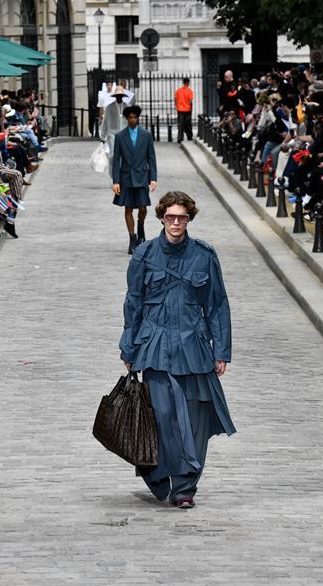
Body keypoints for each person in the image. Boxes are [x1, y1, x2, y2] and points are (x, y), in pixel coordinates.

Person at [120, 191, 235, 509]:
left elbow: (217, 304)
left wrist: (221, 350)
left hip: (194, 346)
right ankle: (159, 474)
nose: (175, 222)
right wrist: (128, 349)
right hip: (155, 345)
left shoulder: (204, 255)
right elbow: (133, 303)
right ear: (161, 217)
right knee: (164, 417)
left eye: (181, 217)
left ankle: (185, 487)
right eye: (170, 217)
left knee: (195, 422)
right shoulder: (144, 255)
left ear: (189, 219)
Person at [111, 105, 158, 254]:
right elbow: (116, 160)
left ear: (138, 118)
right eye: (130, 117)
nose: (132, 119)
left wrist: (153, 178)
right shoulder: (120, 136)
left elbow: (151, 157)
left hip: (142, 176)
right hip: (126, 178)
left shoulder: (146, 135)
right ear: (126, 119)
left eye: (134, 117)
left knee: (143, 208)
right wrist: (115, 181)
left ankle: (141, 227)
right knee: (128, 208)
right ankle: (132, 239)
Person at [174, 78, 194, 143]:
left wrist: (177, 106)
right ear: (188, 83)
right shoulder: (189, 91)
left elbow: (175, 99)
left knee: (180, 124)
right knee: (188, 124)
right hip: (187, 110)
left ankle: (180, 137)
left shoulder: (178, 91)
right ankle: (189, 136)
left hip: (180, 110)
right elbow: (190, 100)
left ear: (183, 82)